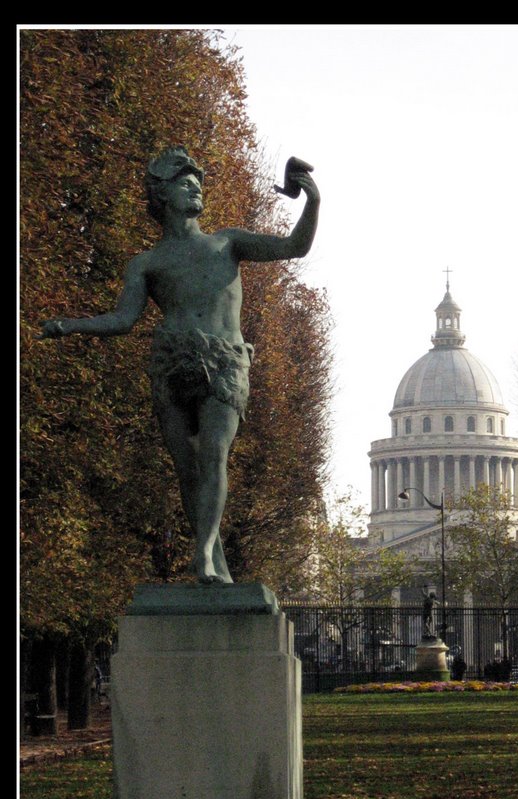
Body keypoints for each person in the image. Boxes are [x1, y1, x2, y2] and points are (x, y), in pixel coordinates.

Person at [40, 147, 320, 584]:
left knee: (213, 454)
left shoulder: (228, 242)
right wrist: (70, 325)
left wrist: (313, 202)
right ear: (162, 196)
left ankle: (204, 554)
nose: (196, 190)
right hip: (170, 360)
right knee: (186, 470)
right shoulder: (147, 262)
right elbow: (123, 319)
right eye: (185, 184)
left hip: (224, 361)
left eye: (198, 185)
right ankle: (216, 565)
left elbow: (293, 247)